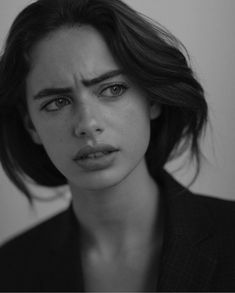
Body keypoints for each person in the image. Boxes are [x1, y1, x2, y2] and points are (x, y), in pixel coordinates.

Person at [0, 0, 235, 291]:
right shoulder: (9, 271)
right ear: (31, 125)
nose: (87, 123)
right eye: (57, 102)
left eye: (113, 89)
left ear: (152, 98)